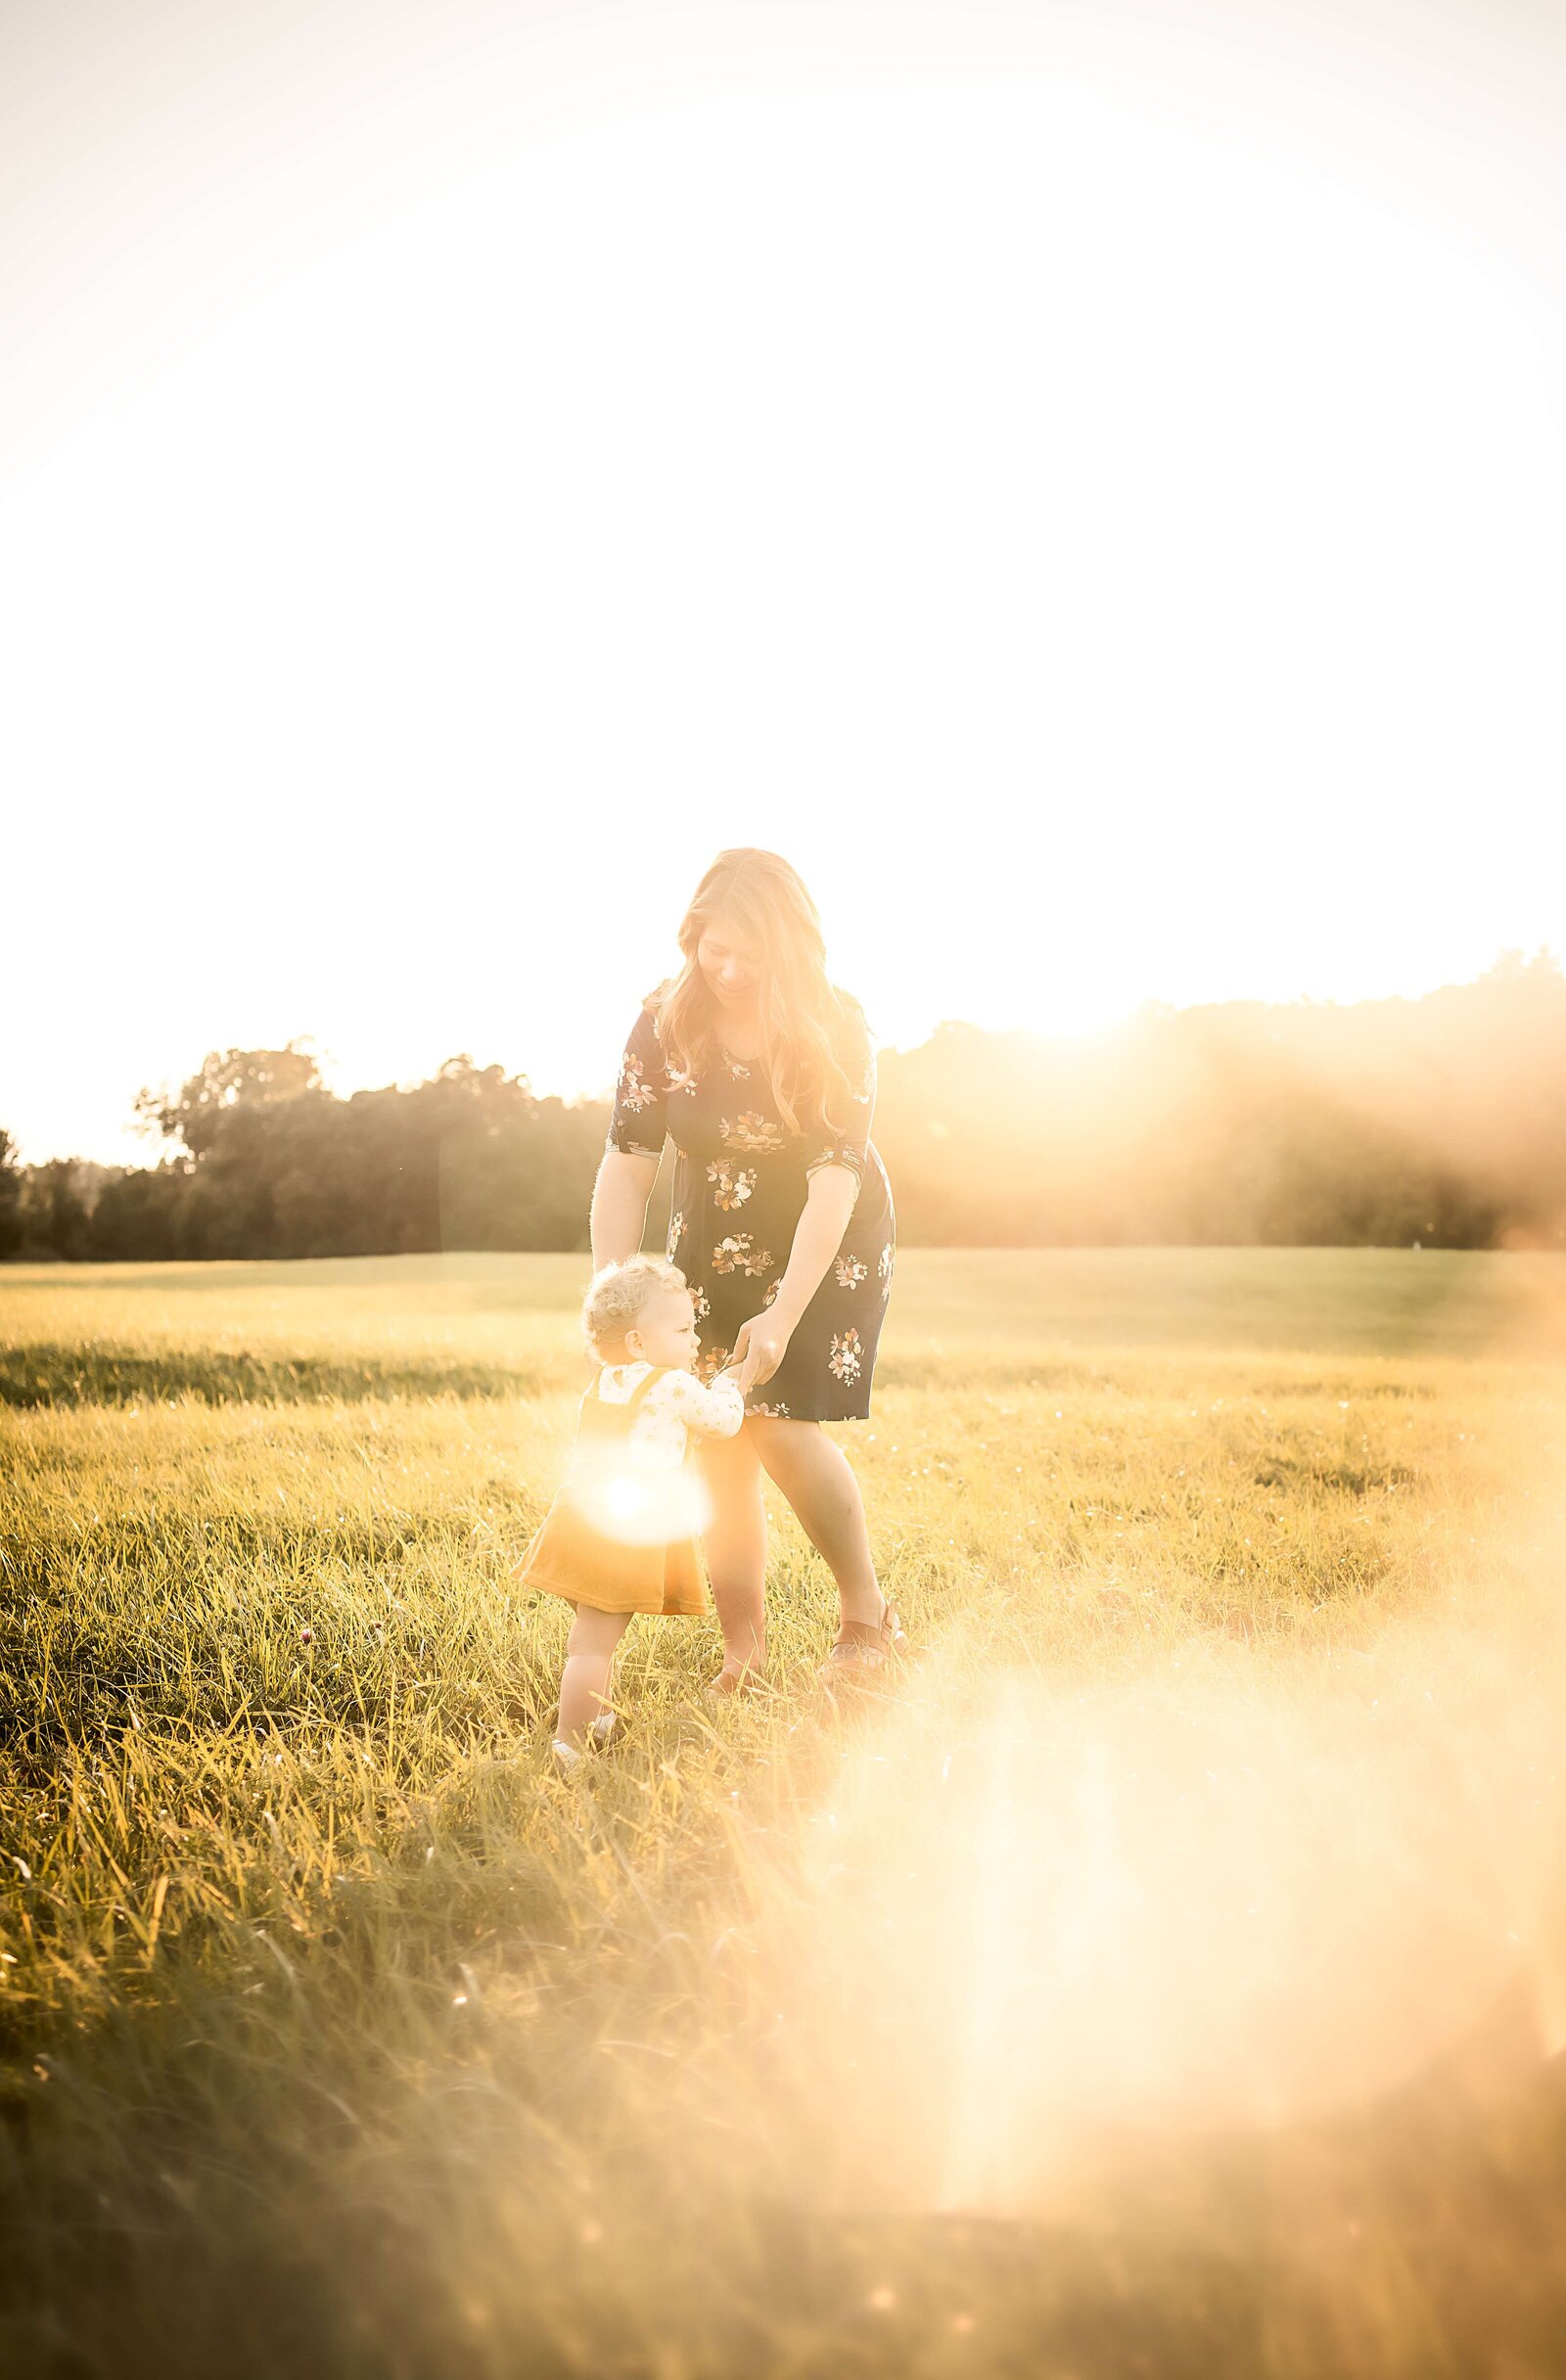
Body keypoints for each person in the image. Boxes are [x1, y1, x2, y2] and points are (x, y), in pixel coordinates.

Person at [592, 847, 907, 1695]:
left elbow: (834, 1175)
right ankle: (745, 1652)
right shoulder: (662, 1021)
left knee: (773, 1421)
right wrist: (614, 1300)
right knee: (718, 1440)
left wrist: (780, 1316)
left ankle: (866, 1618)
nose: (726, 971)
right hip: (710, 1237)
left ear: (791, 948)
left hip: (826, 1241)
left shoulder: (837, 1026)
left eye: (749, 956)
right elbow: (628, 1161)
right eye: (711, 948)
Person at [514, 1256, 745, 1771]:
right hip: (628, 1523)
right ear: (639, 1342)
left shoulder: (601, 1383)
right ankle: (569, 1747)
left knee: (593, 1634)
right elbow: (722, 1422)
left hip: (583, 1517)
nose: (694, 1341)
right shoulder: (674, 1385)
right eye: (684, 1329)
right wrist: (732, 1384)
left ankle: (596, 1721)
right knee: (592, 1647)